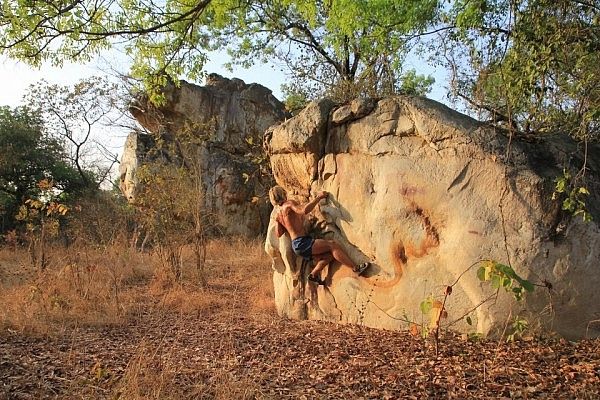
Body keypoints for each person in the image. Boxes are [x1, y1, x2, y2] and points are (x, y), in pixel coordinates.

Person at [269, 185, 370, 286]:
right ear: (282, 193)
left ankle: (313, 275)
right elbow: (303, 211)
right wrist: (319, 197)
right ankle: (356, 268)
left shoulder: (279, 214)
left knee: (328, 256)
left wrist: (278, 221)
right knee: (332, 245)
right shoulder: (289, 204)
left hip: (296, 246)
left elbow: (278, 234)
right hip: (302, 242)